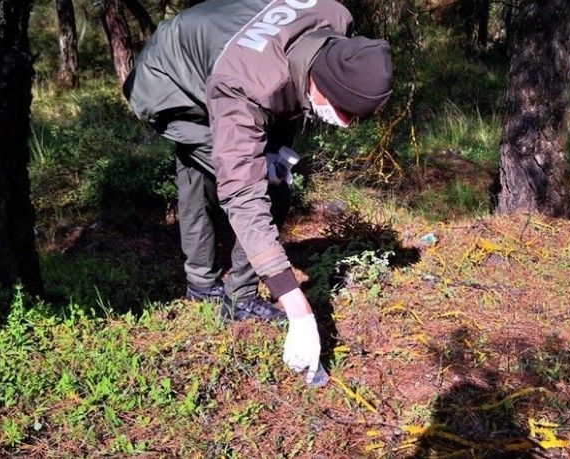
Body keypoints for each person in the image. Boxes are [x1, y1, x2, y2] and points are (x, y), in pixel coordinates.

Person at [123, 0, 393, 380]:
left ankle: (220, 287)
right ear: (319, 80)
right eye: (341, 111)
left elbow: (286, 90)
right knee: (251, 179)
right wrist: (294, 302)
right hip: (169, 81)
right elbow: (243, 194)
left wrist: (275, 150)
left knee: (245, 164)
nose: (345, 125)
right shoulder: (245, 85)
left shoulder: (335, 15)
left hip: (217, 54)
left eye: (356, 117)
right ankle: (229, 294)